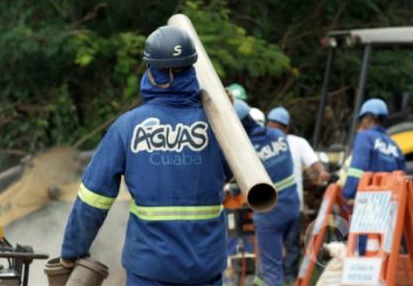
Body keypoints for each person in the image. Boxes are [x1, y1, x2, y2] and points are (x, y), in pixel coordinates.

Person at [60, 26, 228, 286]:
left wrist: (72, 250)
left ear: (154, 72)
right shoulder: (220, 126)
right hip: (206, 269)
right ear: (192, 68)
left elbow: (93, 198)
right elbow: (239, 173)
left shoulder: (127, 127)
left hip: (150, 270)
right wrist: (234, 117)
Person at [234, 99, 300, 286]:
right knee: (280, 261)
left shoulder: (246, 150)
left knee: (271, 269)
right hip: (292, 208)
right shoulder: (278, 135)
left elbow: (243, 181)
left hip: (270, 213)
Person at [267, 106, 329, 282]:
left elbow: (313, 161)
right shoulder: (263, 143)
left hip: (292, 204)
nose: (273, 130)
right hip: (268, 205)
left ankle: (290, 278)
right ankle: (273, 277)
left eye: (277, 127)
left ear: (286, 128)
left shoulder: (297, 143)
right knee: (272, 244)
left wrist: (322, 171)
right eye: (270, 126)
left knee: (292, 244)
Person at [343, 98, 406, 200]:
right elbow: (402, 176)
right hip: (390, 203)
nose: (362, 123)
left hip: (368, 201)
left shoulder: (365, 137)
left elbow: (358, 167)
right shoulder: (394, 145)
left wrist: (348, 193)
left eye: (362, 119)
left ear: (369, 118)